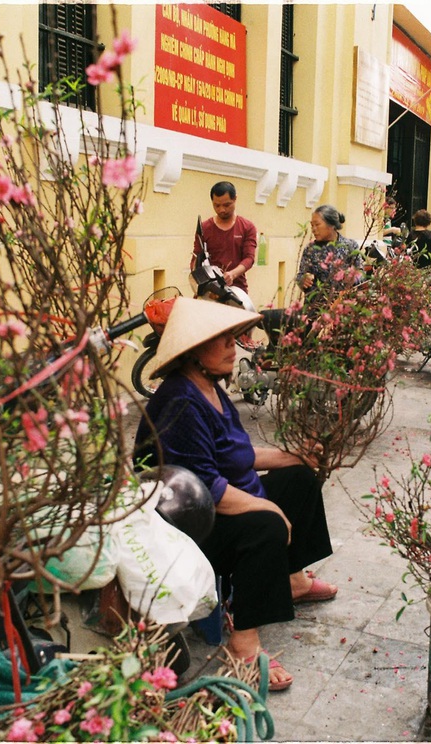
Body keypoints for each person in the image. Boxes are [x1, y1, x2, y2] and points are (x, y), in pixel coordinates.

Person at [133, 297, 338, 692]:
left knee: (298, 477)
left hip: (219, 504)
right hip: (187, 528)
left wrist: (294, 456)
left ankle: (291, 579)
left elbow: (237, 454)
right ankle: (243, 643)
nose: (233, 346)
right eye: (223, 340)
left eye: (232, 339)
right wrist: (269, 509)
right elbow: (204, 487)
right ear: (195, 352)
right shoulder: (180, 400)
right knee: (265, 525)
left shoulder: (209, 387)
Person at [193, 181, 258, 292]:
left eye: (226, 205)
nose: (221, 210)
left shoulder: (247, 227)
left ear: (235, 199)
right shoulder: (204, 228)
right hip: (209, 291)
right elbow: (196, 257)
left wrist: (232, 274)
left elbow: (249, 259)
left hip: (237, 290)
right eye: (217, 205)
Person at [297, 204, 363, 305]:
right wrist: (302, 280)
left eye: (317, 224)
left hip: (342, 309)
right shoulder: (310, 249)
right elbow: (301, 275)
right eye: (312, 225)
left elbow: (361, 274)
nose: (314, 229)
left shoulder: (350, 246)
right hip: (315, 309)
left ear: (331, 225)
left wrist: (352, 278)